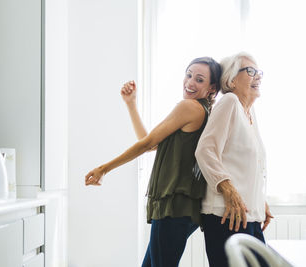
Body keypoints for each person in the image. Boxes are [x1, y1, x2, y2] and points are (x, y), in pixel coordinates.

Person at [85, 57, 222, 267]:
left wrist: (104, 169)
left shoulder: (190, 108)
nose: (190, 82)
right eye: (188, 75)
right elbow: (152, 145)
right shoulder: (203, 112)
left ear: (212, 88)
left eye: (199, 79)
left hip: (174, 204)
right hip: (180, 205)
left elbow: (147, 143)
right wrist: (131, 105)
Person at [195, 52, 273, 267]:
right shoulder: (229, 101)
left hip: (248, 215)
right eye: (250, 71)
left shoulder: (249, 112)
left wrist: (259, 200)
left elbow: (247, 164)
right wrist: (228, 189)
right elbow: (205, 150)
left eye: (259, 72)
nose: (258, 76)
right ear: (230, 80)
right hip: (225, 215)